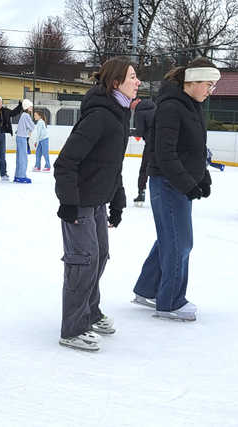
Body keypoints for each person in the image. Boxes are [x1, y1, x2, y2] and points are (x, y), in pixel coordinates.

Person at [54, 58, 140, 351]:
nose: (137, 81)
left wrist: (117, 202)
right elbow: (65, 162)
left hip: (98, 202)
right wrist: (68, 203)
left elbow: (112, 166)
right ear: (115, 83)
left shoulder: (118, 115)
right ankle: (73, 328)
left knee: (99, 256)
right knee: (83, 261)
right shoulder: (100, 116)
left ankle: (89, 311)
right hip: (78, 202)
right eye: (132, 77)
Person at [132, 57, 220, 322]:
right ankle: (169, 302)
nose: (210, 90)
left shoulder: (192, 105)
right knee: (180, 243)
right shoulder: (171, 107)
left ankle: (147, 290)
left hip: (179, 183)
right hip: (169, 184)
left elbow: (194, 148)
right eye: (208, 84)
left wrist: (201, 176)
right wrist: (188, 184)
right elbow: (165, 153)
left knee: (169, 238)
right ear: (191, 82)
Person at [132, 98, 156, 206]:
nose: (130, 107)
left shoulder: (139, 112)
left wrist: (126, 131)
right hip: (163, 143)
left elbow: (139, 132)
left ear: (137, 100)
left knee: (144, 169)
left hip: (151, 144)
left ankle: (141, 193)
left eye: (131, 103)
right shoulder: (155, 107)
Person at [0, 96, 23, 181]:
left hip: (1, 134)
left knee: (2, 154)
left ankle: (3, 173)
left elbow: (13, 113)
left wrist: (20, 105)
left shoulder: (5, 111)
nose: (1, 103)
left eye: (1, 102)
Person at [15, 99, 35, 183]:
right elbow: (32, 126)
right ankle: (21, 176)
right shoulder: (26, 115)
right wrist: (30, 130)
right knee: (23, 158)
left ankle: (17, 175)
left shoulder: (23, 115)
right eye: (30, 106)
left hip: (20, 137)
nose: (32, 107)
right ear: (27, 107)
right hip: (22, 138)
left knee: (19, 157)